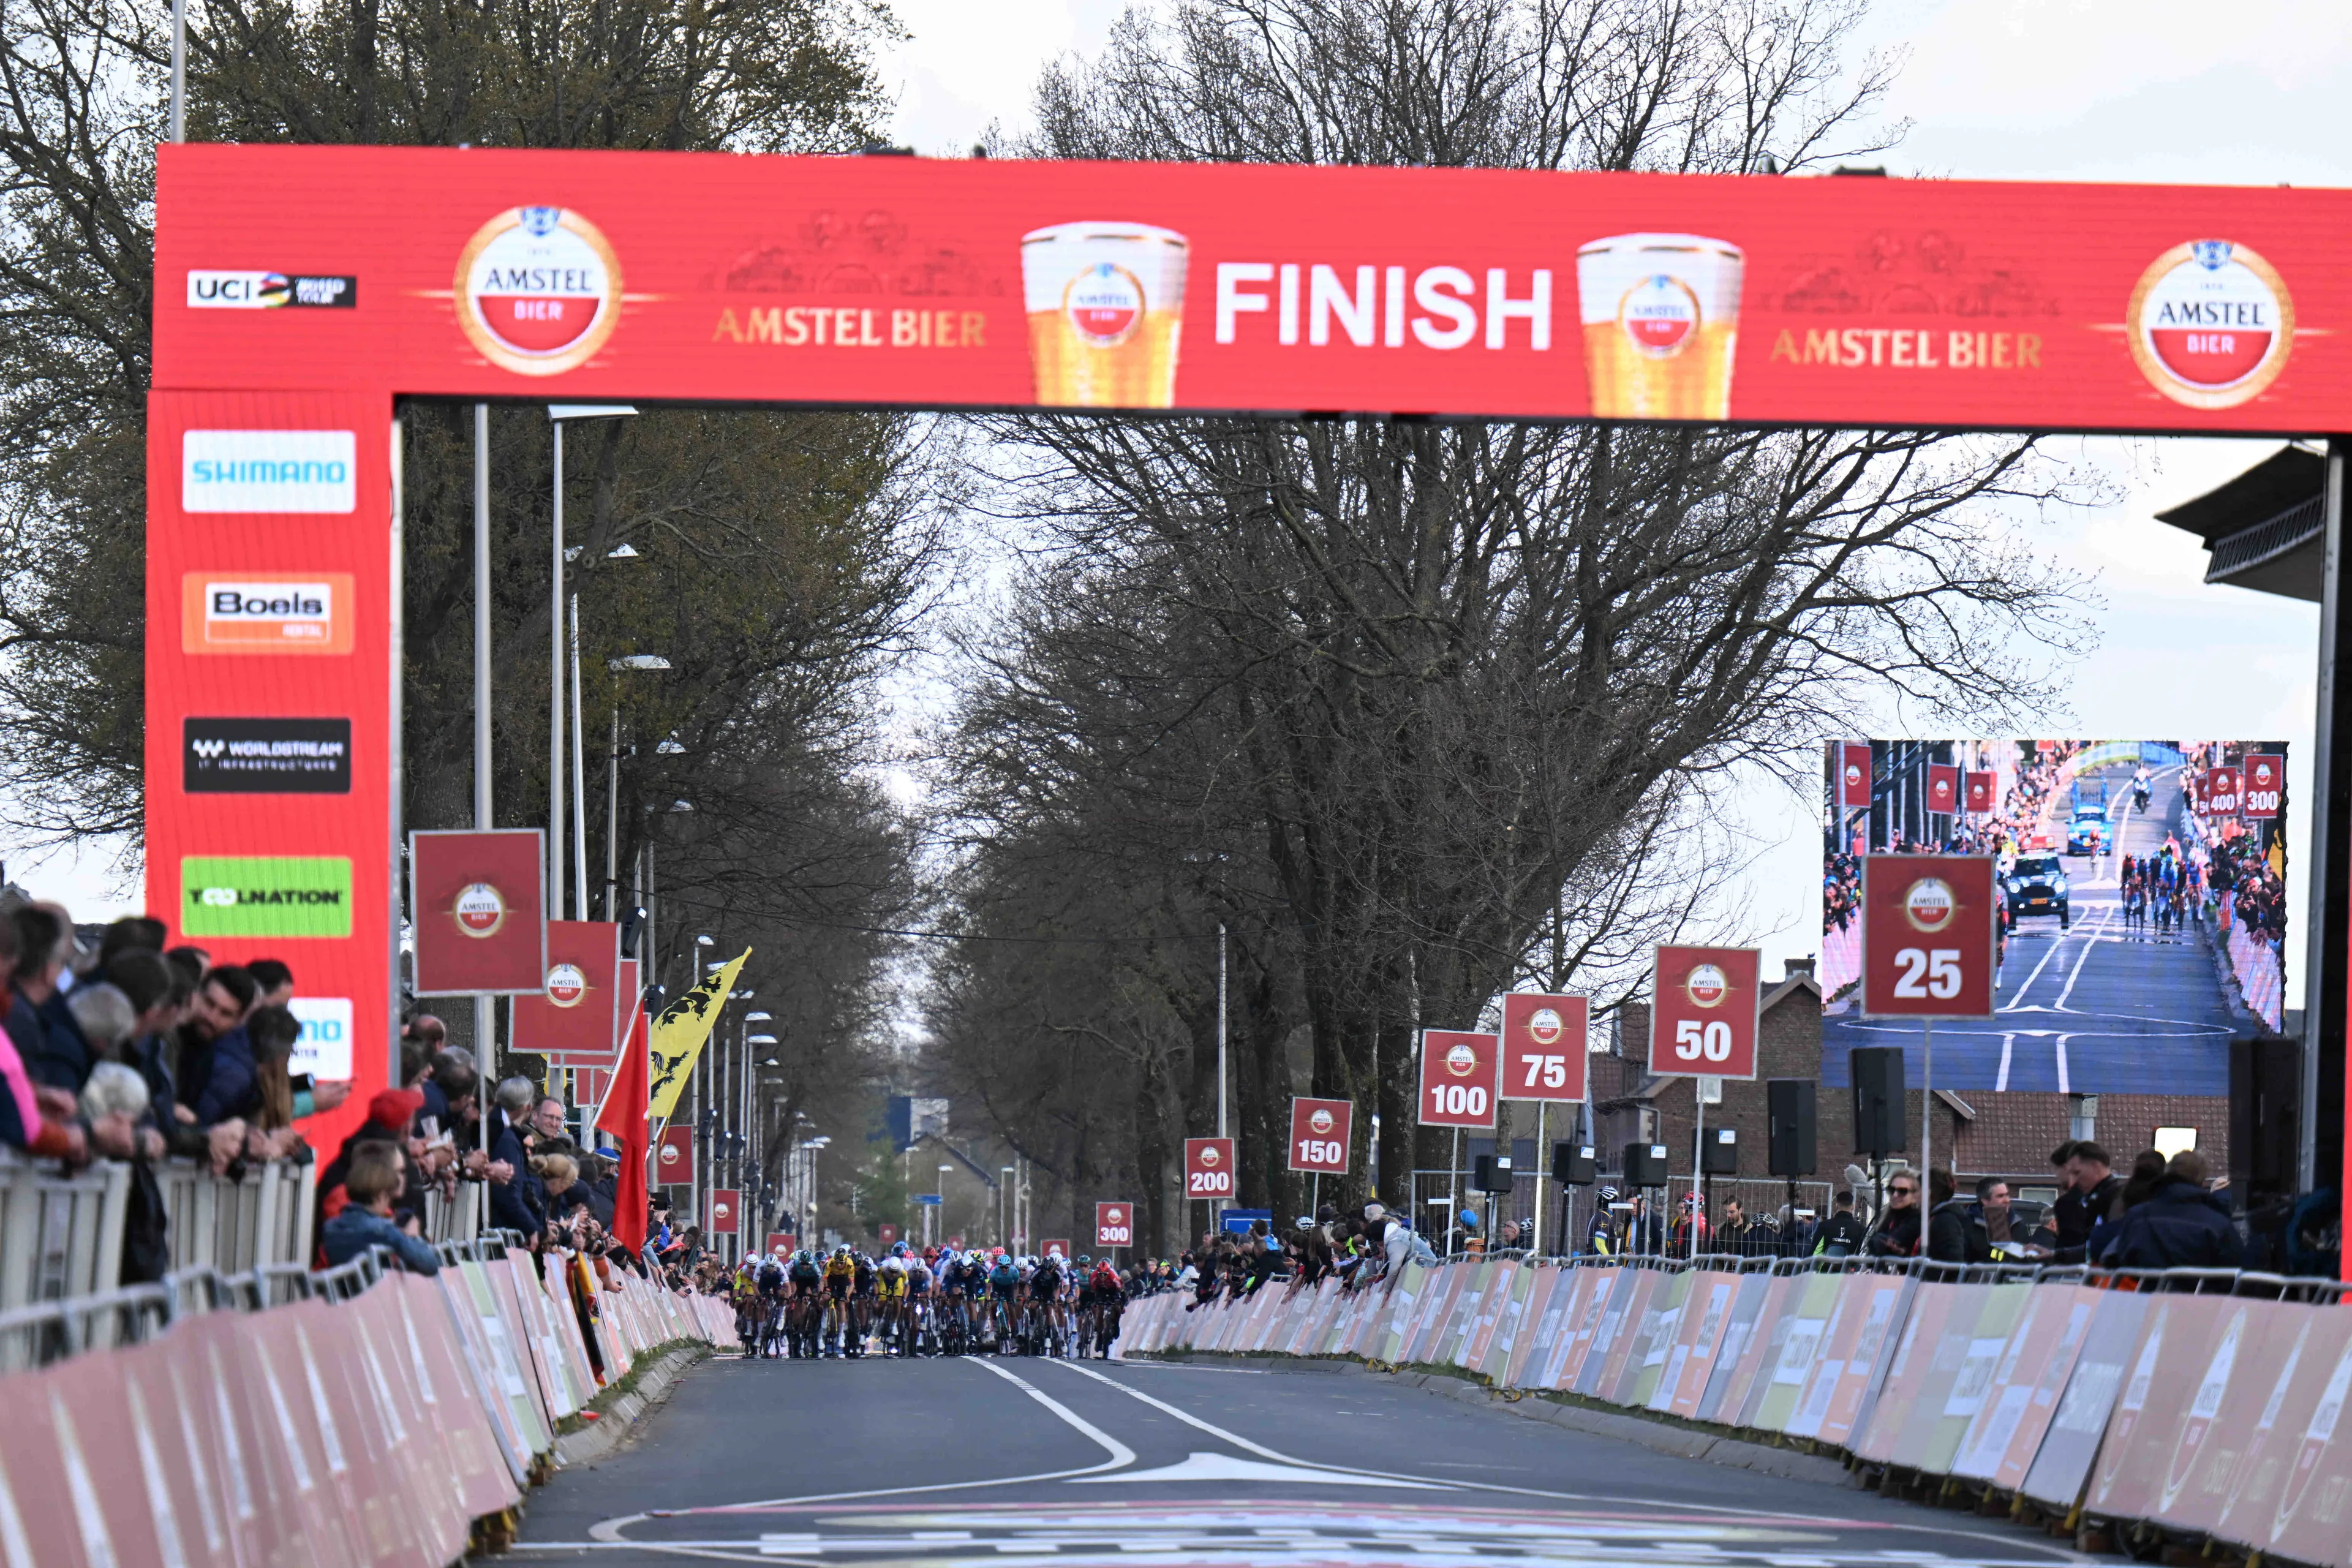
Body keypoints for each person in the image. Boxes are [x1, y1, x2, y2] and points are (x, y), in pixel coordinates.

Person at [2102, 1150, 2242, 1269]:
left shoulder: (2137, 1217)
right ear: (2201, 1178)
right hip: (2198, 1298)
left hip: (2143, 1296)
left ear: (2168, 1172)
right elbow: (2234, 1266)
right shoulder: (2217, 1224)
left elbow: (2115, 1257)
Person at [320, 1142, 442, 1273]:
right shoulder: (383, 1230)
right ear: (383, 1191)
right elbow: (431, 1264)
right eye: (399, 1172)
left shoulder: (331, 1227)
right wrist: (413, 1237)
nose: (403, 1179)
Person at [2051, 1141, 2120, 1264]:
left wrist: (2057, 1256)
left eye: (2077, 1173)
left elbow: (2104, 1246)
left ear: (2096, 1167)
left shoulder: (2114, 1201)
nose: (2074, 1180)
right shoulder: (2101, 1199)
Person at [1866, 1172, 1923, 1257]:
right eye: (1892, 1190)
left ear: (1915, 1194)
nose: (1895, 1195)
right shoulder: (1888, 1217)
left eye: (1902, 1191)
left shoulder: (1920, 1220)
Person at [1814, 1189, 1869, 1257]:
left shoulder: (1824, 1226)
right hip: (1850, 1267)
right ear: (1852, 1207)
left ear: (1837, 1206)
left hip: (1828, 1266)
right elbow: (1863, 1253)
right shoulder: (1861, 1229)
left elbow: (1815, 1251)